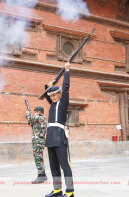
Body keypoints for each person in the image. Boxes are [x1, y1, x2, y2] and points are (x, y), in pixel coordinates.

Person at [44, 62, 74, 197]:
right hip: (50, 138)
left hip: (60, 138)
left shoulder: (63, 103)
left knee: (65, 167)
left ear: (59, 95)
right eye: (51, 96)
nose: (53, 97)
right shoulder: (52, 104)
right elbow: (46, 94)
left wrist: (67, 71)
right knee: (54, 167)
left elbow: (66, 88)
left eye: (55, 95)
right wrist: (48, 86)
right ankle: (57, 191)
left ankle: (70, 191)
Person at [25, 106, 48, 184]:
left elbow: (30, 120)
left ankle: (41, 176)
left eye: (36, 112)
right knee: (39, 158)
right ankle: (42, 175)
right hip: (39, 141)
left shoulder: (40, 118)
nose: (35, 113)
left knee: (38, 158)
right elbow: (31, 123)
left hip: (38, 141)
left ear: (39, 112)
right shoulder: (41, 119)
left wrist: (28, 114)